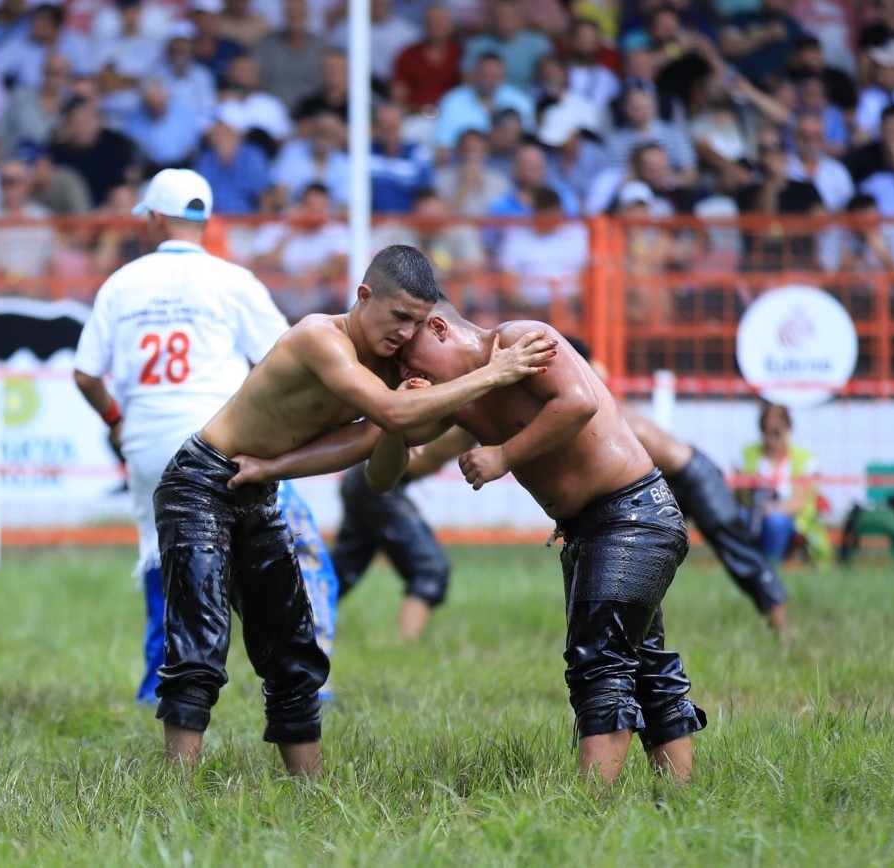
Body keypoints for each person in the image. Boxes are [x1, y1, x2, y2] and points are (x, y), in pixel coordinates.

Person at [237, 303, 705, 783]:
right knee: (643, 663)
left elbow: (578, 402)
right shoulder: (455, 397)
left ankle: (593, 805)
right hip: (590, 529)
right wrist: (396, 414)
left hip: (633, 514)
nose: (404, 368)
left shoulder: (521, 338)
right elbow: (386, 471)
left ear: (438, 328)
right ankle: (679, 796)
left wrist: (504, 455)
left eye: (407, 355)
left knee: (600, 659)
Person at [153, 247, 556, 777]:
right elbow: (390, 411)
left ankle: (312, 791)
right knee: (200, 640)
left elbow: (381, 466)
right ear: (364, 297)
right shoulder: (320, 337)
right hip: (199, 481)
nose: (406, 334)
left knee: (296, 649)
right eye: (398, 318)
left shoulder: (391, 367)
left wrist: (273, 468)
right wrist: (493, 373)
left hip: (254, 484)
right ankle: (175, 786)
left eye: (417, 322)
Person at [72, 168, 339, 707]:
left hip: (147, 441)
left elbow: (85, 372)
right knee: (281, 553)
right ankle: (303, 681)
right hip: (222, 438)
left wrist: (117, 423)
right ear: (204, 219)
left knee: (161, 553)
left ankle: (158, 683)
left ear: (152, 218)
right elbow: (281, 356)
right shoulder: (233, 280)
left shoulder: (123, 282)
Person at [568, 337, 791, 641]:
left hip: (693, 476)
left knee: (737, 551)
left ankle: (784, 633)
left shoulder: (591, 397)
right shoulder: (591, 396)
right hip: (664, 481)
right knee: (643, 562)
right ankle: (635, 637)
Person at [328, 426, 474, 640]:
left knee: (339, 572)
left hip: (372, 480)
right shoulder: (479, 400)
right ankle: (406, 646)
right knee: (430, 569)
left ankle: (287, 625)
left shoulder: (490, 405)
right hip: (374, 483)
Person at [737, 401, 833, 568]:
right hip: (753, 513)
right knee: (738, 518)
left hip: (789, 519)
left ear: (787, 429)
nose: (771, 438)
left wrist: (770, 508)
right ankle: (744, 566)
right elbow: (736, 494)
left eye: (776, 432)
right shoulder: (748, 454)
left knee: (776, 522)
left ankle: (768, 569)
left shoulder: (803, 458)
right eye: (767, 432)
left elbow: (799, 503)